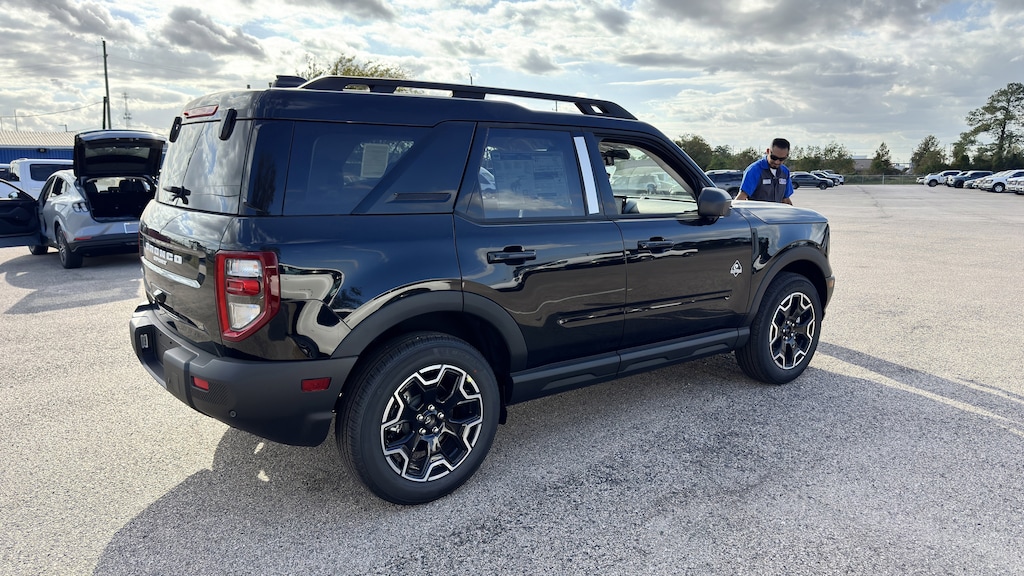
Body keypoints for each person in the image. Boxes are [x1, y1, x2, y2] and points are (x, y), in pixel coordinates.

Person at [737, 138, 794, 204]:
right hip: (757, 213)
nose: (777, 162)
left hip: (778, 213)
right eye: (774, 157)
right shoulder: (754, 170)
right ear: (768, 151)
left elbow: (785, 198)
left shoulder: (785, 172)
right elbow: (742, 197)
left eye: (781, 159)